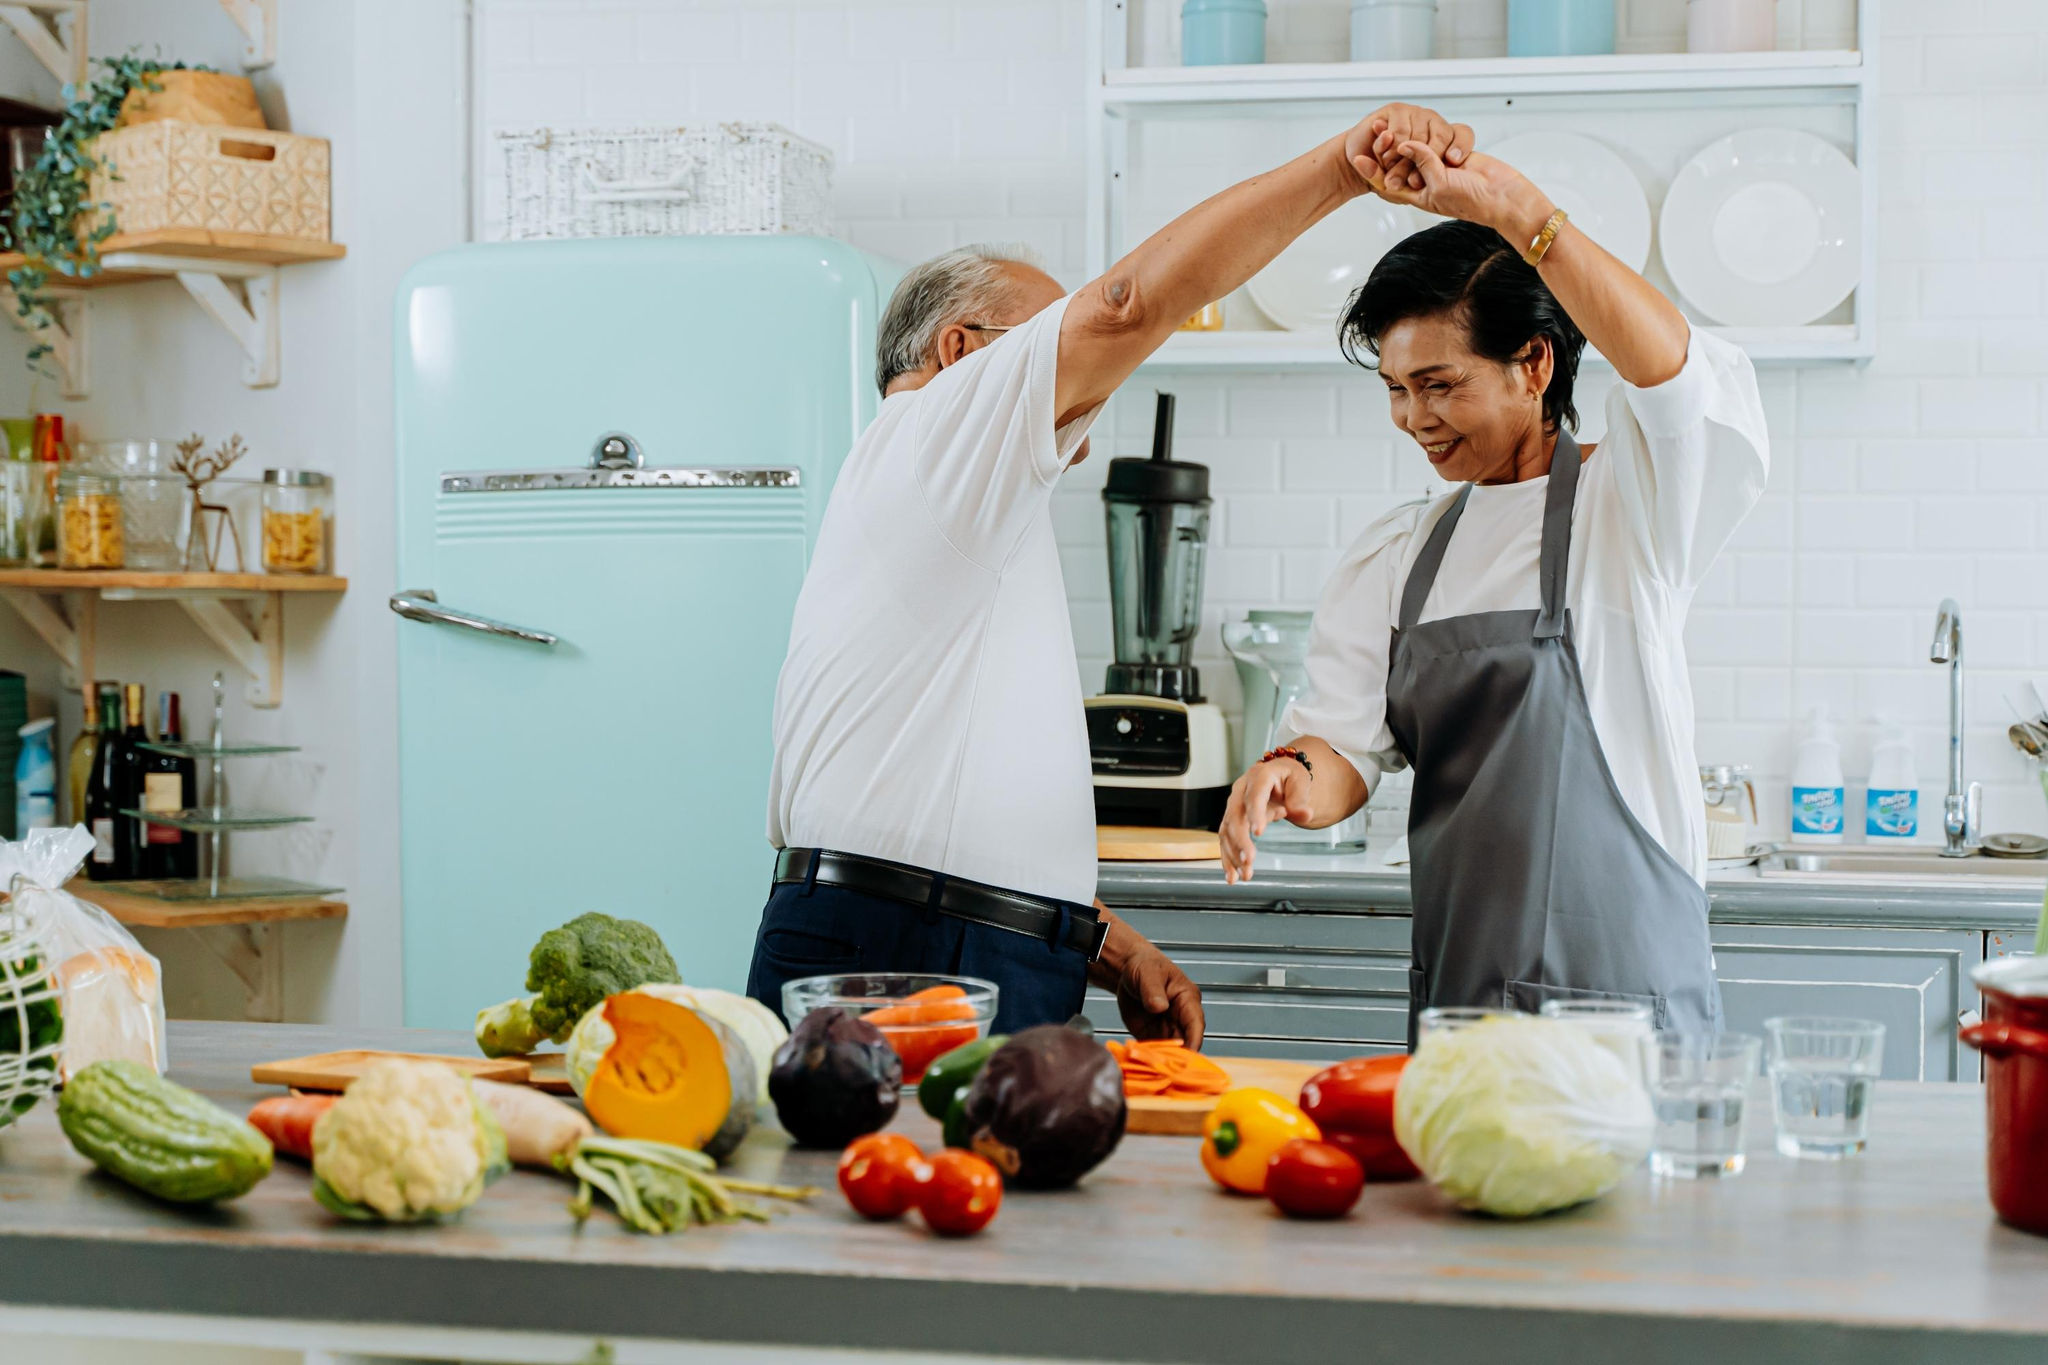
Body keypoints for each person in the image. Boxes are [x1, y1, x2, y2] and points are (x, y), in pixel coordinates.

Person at [750, 105, 1477, 1043]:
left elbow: (945, 799)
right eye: (1045, 333)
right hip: (916, 954)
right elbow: (1127, 304)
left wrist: (1103, 942)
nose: (1097, 368)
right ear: (962, 353)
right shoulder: (937, 437)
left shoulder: (950, 503)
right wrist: (1344, 169)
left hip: (941, 940)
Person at [1218, 116, 1769, 1041]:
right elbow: (1343, 747)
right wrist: (1287, 777)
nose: (1413, 418)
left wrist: (1510, 210)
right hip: (1464, 1008)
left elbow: (1674, 378)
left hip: (1626, 1007)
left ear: (1534, 364)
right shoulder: (1401, 553)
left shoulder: (1628, 506)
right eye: (1395, 389)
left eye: (1438, 384)